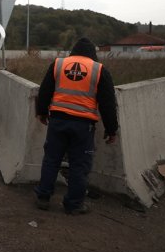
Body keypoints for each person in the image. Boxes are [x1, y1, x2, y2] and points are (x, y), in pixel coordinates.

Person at [34, 37, 119, 215]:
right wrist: (111, 130)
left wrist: (41, 112)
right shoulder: (99, 69)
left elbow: (45, 91)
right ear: (92, 54)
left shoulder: (58, 64)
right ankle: (73, 204)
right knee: (79, 166)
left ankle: (43, 198)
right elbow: (108, 104)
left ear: (73, 52)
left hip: (57, 121)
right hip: (83, 126)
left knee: (51, 160)